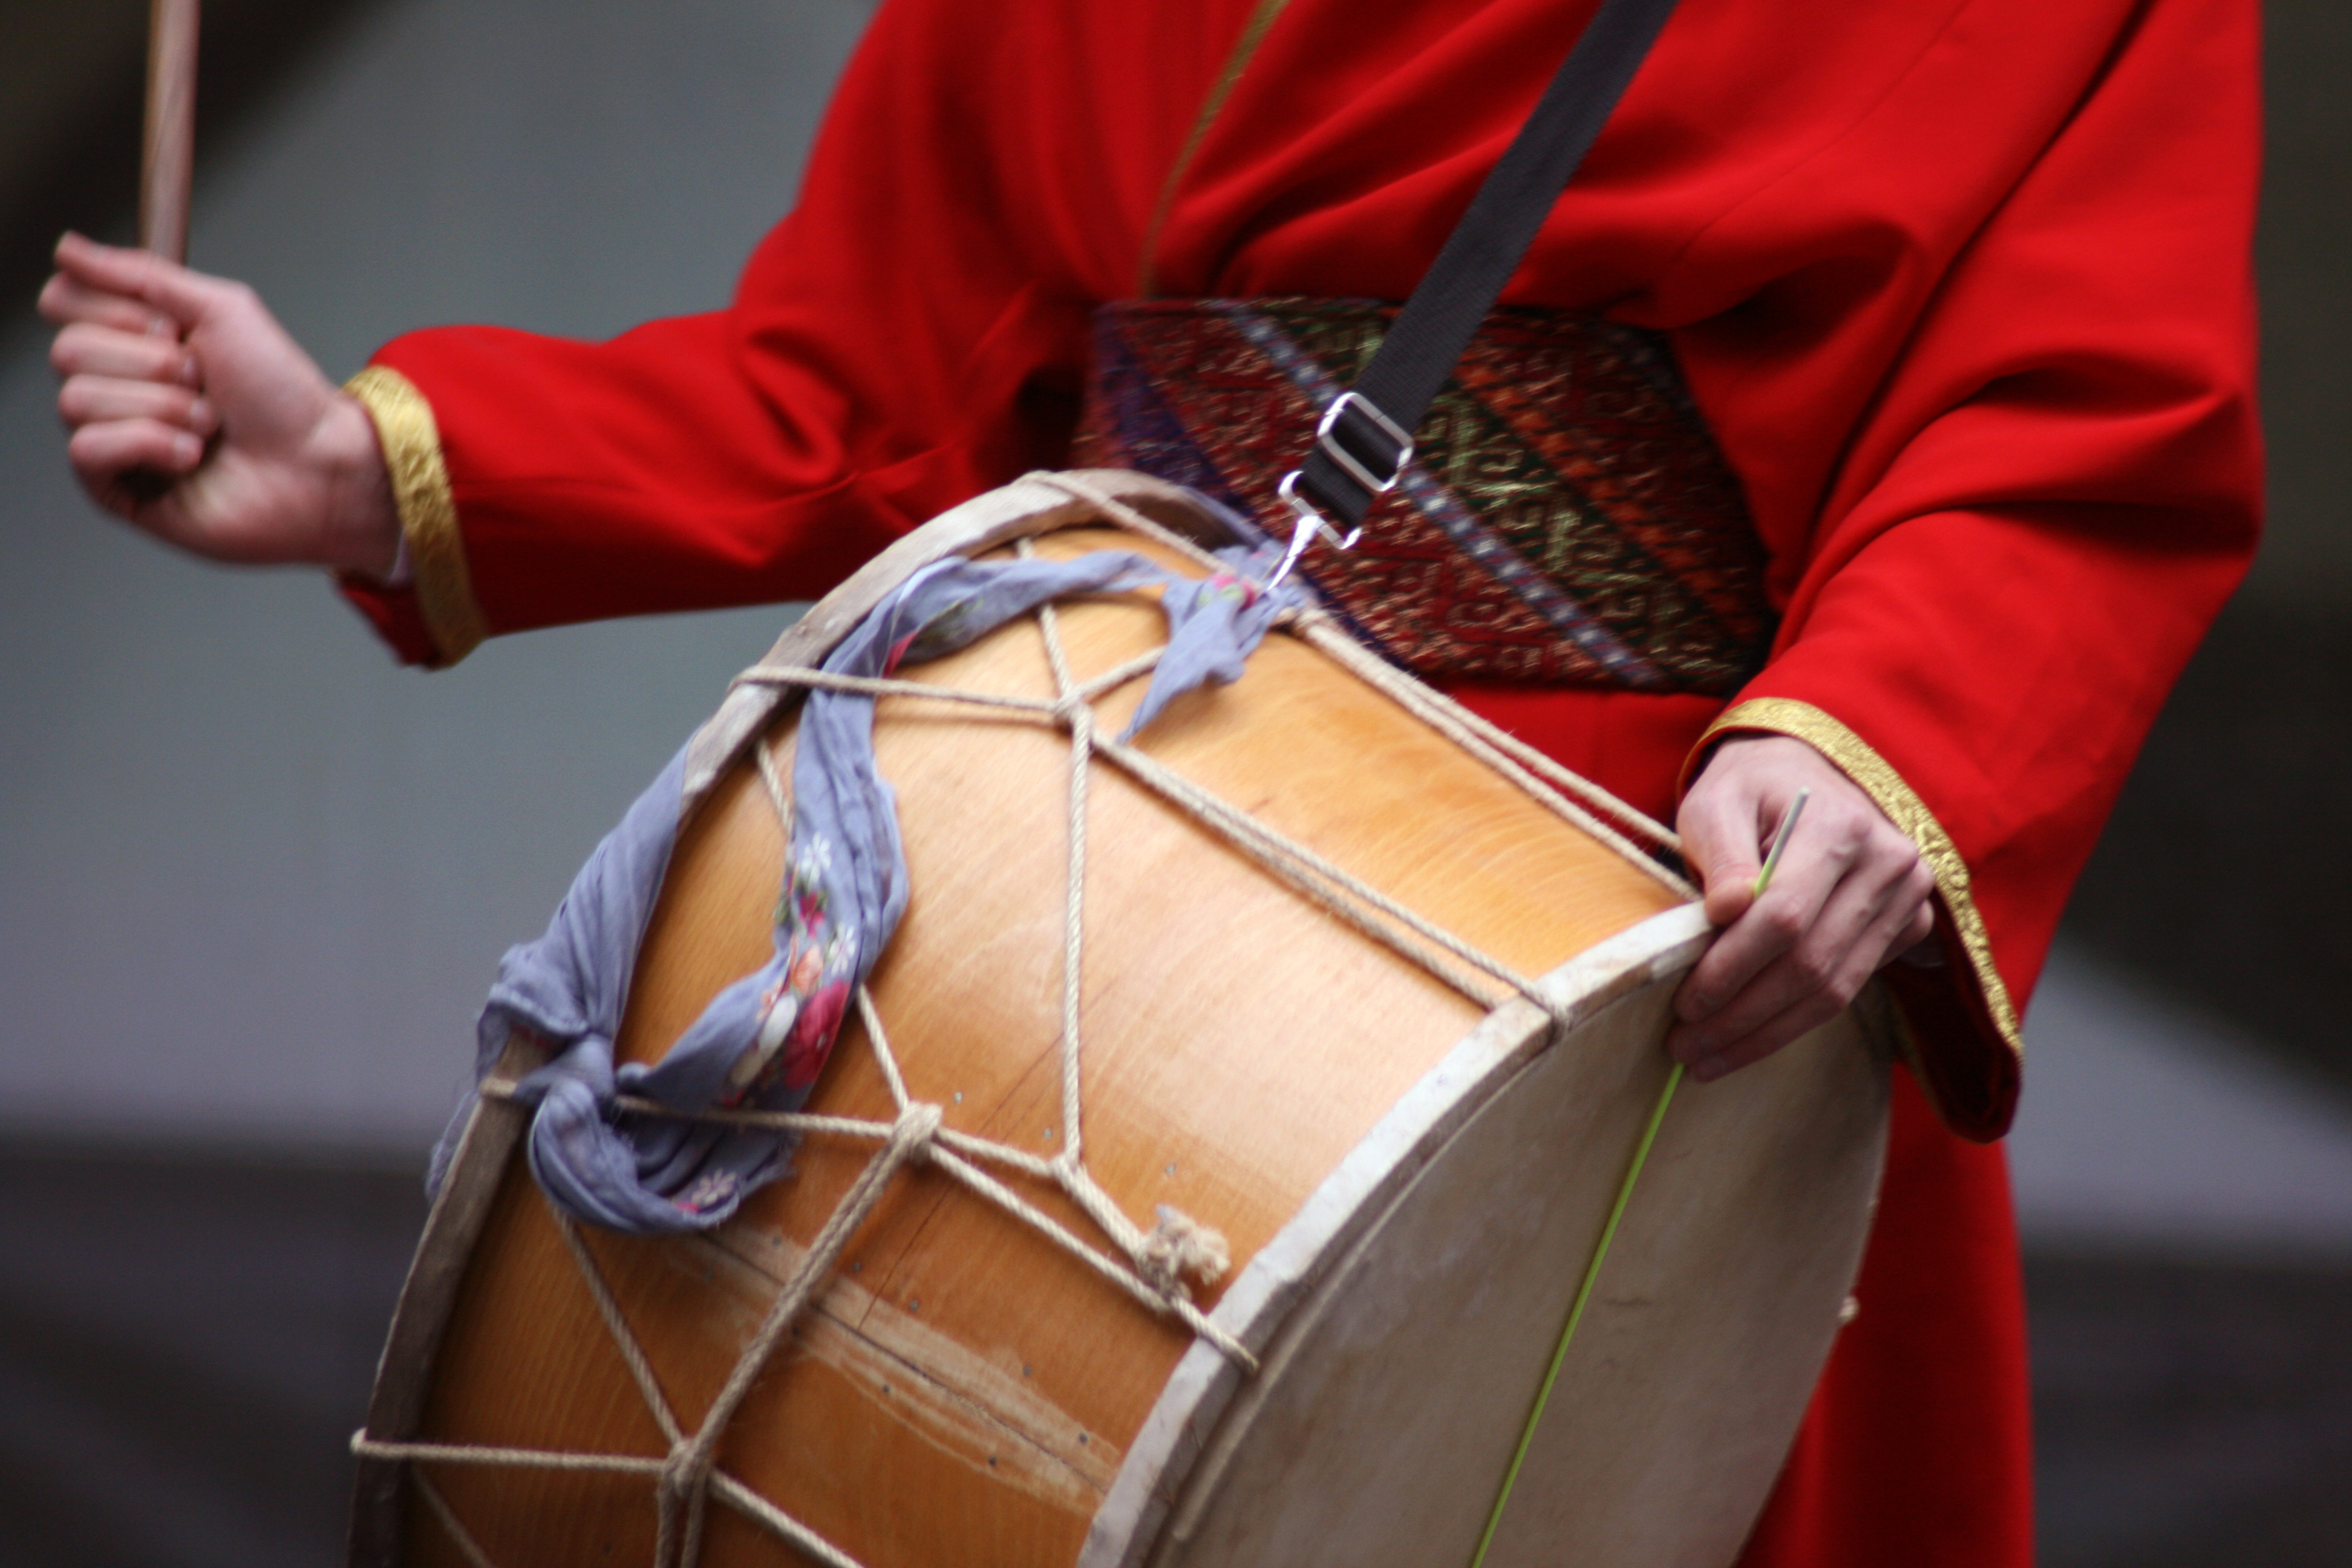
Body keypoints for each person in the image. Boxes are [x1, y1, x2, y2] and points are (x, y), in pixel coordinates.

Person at [39, 0, 2260, 1559]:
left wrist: (1882, 726)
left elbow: (2081, 410)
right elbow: (873, 383)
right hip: (1097, 896)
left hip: (1660, 920)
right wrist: (370, 463)